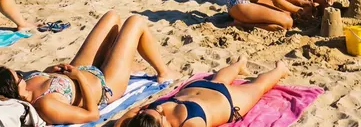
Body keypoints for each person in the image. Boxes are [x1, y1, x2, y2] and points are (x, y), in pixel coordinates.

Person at [0, 11, 172, 125]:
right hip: (104, 86)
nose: (23, 76)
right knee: (135, 22)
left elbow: (45, 77)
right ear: (14, 92)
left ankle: (122, 61)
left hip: (80, 69)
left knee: (112, 17)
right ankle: (163, 72)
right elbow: (92, 114)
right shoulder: (45, 105)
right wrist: (79, 77)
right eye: (19, 78)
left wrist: (50, 70)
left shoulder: (27, 87)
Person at [120, 57, 289, 127]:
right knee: (257, 87)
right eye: (161, 113)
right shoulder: (190, 124)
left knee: (224, 81)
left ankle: (240, 64)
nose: (159, 108)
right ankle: (279, 69)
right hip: (221, 97)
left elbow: (127, 117)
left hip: (211, 94)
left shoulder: (147, 115)